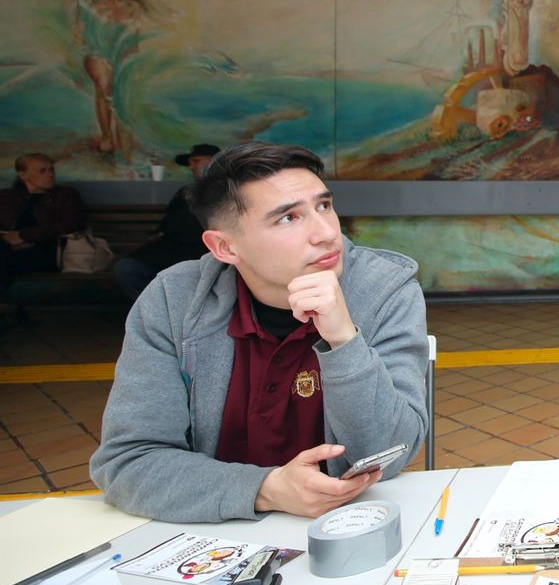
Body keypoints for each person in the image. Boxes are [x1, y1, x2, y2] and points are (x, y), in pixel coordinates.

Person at [90, 142, 429, 524]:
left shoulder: (384, 289)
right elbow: (128, 462)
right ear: (225, 246)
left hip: (348, 522)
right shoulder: (174, 301)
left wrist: (344, 339)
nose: (325, 232)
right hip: (213, 531)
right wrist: (266, 489)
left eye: (324, 206)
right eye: (288, 218)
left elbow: (393, 450)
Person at [112, 143, 219, 301]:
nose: (191, 166)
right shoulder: (185, 192)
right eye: (190, 163)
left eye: (196, 161)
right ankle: (159, 314)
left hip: (208, 254)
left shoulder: (229, 191)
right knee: (127, 269)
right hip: (171, 252)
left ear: (213, 161)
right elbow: (168, 225)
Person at [73, 0, 151, 154]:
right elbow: (80, 33)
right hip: (97, 53)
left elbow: (134, 39)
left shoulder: (133, 6)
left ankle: (119, 137)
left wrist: (132, 62)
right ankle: (107, 136)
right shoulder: (92, 2)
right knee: (104, 87)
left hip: (122, 54)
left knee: (120, 95)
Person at [0, 153, 87, 305]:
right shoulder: (6, 197)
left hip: (47, 251)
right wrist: (8, 240)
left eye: (51, 170)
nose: (50, 174)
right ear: (22, 174)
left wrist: (24, 236)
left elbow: (72, 223)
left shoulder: (66, 195)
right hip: (7, 248)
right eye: (42, 171)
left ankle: (12, 313)